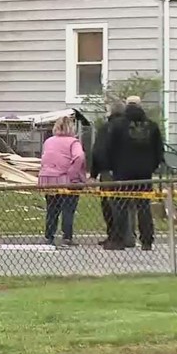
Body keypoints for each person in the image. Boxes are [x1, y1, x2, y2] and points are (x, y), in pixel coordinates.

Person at [105, 96, 164, 251]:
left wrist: (113, 167)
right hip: (144, 173)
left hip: (122, 172)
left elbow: (110, 148)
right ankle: (146, 240)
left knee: (120, 206)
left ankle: (119, 239)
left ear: (126, 105)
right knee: (144, 207)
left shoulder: (117, 125)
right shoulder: (152, 126)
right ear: (140, 105)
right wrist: (151, 167)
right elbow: (159, 151)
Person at [38, 116, 87, 248]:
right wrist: (73, 173)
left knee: (52, 209)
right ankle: (67, 237)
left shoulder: (48, 141)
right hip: (66, 179)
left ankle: (49, 236)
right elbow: (79, 156)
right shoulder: (73, 142)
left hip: (48, 178)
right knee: (68, 209)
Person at [91, 101, 131, 247]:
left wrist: (94, 172)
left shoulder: (106, 128)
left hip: (109, 172)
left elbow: (98, 151)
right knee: (126, 205)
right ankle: (127, 236)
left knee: (110, 206)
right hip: (128, 172)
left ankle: (114, 237)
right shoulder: (130, 127)